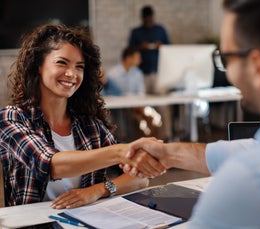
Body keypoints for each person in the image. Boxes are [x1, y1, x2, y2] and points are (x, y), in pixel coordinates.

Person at [124, 0, 260, 227]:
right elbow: (250, 148)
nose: (227, 72)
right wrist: (168, 153)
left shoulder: (250, 180)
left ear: (257, 66)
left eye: (226, 59)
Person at [0, 24, 165, 208]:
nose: (72, 74)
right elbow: (50, 165)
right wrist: (121, 152)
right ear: (38, 65)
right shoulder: (12, 118)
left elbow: (139, 178)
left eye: (79, 67)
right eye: (62, 62)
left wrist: (97, 191)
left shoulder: (90, 126)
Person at [128, 5, 170, 94]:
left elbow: (169, 47)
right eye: (146, 18)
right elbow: (129, 50)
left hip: (158, 71)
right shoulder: (136, 32)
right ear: (142, 18)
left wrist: (161, 45)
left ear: (152, 17)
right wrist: (141, 47)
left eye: (149, 18)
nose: (148, 21)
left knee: (162, 102)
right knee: (143, 100)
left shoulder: (160, 30)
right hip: (141, 72)